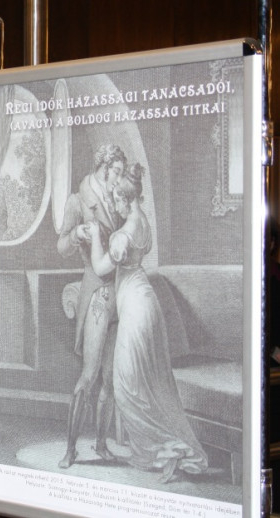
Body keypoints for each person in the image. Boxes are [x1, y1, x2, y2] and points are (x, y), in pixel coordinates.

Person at [88, 164, 207, 482]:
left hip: (136, 309)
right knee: (151, 383)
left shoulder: (123, 234)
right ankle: (166, 449)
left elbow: (100, 269)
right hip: (145, 303)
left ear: (125, 199)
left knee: (127, 387)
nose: (114, 205)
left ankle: (169, 448)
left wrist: (95, 235)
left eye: (116, 199)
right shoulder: (143, 223)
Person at [56, 143, 126, 468]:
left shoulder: (119, 197)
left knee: (110, 378)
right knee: (90, 373)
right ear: (103, 166)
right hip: (96, 291)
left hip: (120, 293)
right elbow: (61, 246)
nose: (119, 178)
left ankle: (100, 443)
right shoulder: (78, 200)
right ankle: (71, 449)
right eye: (116, 172)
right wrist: (77, 234)